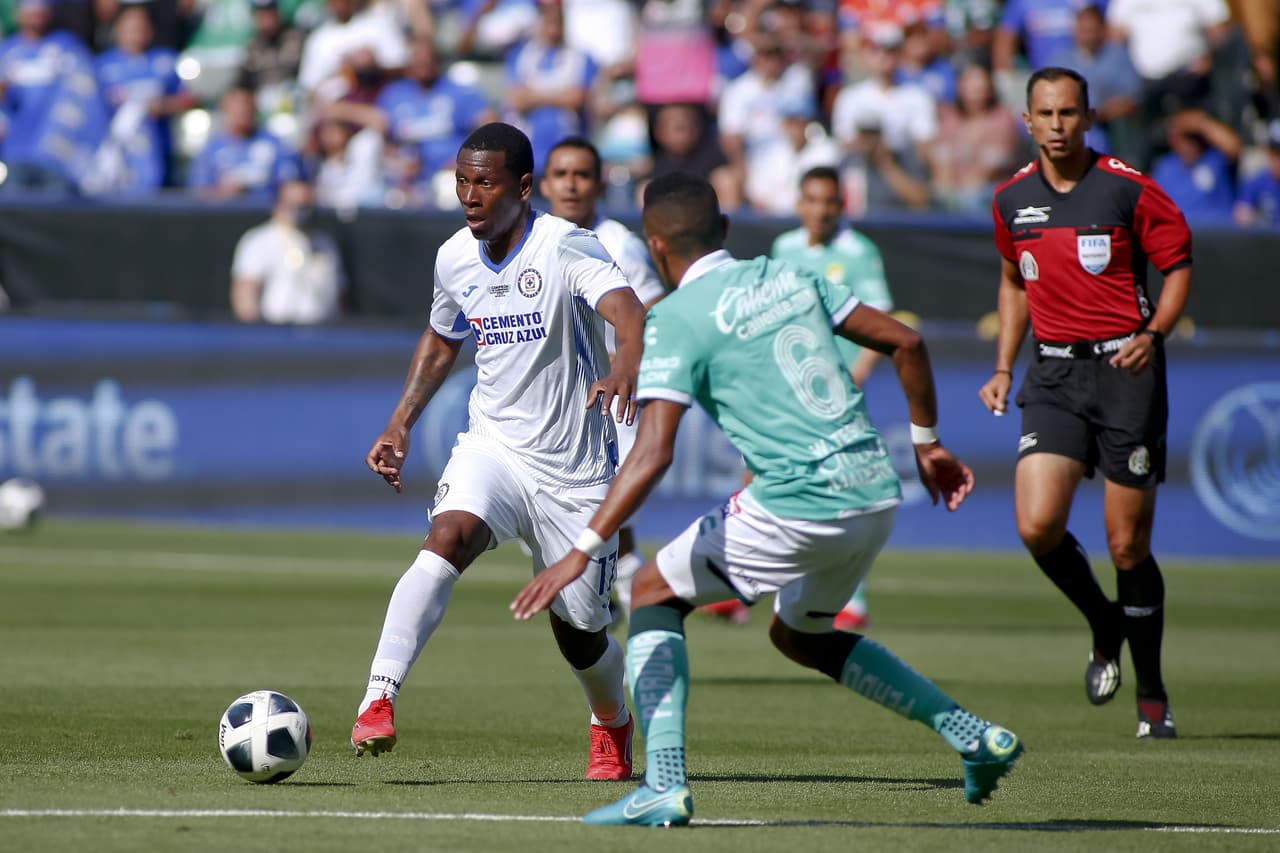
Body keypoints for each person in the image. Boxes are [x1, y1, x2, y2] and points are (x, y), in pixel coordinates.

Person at [511, 172, 1024, 825]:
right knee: (800, 635)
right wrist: (927, 445)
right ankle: (972, 735)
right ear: (725, 228)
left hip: (800, 497)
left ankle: (663, 784)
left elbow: (652, 452)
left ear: (654, 246)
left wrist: (581, 549)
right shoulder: (788, 275)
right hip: (874, 490)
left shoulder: (674, 319)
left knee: (652, 592)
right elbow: (907, 340)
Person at [350, 123, 649, 785]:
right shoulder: (454, 256)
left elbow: (629, 312)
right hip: (494, 446)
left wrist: (625, 364)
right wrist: (400, 422)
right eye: (461, 181)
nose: (469, 195)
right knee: (447, 535)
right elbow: (441, 338)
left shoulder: (566, 244)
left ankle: (612, 719)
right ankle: (378, 697)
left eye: (484, 182)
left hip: (574, 472)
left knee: (580, 633)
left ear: (523, 187)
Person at [978, 67, 1192, 740]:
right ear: (1027, 121)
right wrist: (1003, 365)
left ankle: (1152, 696)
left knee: (1127, 545)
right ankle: (1104, 621)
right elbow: (1013, 282)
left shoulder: (1128, 187)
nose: (1057, 124)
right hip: (1053, 374)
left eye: (1068, 112)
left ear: (1089, 117)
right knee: (1037, 525)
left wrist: (1153, 334)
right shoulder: (1011, 199)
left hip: (1126, 373)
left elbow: (1178, 267)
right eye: (1045, 113)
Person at [539, 136, 667, 615]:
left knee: (606, 503)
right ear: (543, 184)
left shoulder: (618, 243)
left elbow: (654, 312)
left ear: (598, 185)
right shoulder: (535, 237)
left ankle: (631, 598)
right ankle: (613, 598)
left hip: (613, 397)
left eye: (582, 175)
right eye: (562, 174)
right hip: (559, 399)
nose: (571, 185)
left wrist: (624, 363)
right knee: (575, 511)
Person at [770, 165, 895, 630]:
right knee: (784, 482)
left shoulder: (859, 252)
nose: (820, 211)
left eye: (829, 202)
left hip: (839, 394)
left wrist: (856, 374)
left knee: (844, 489)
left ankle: (852, 599)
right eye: (812, 200)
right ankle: (765, 589)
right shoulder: (785, 247)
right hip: (791, 388)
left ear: (842, 205)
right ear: (799, 203)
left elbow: (880, 320)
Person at [230, 179, 346, 324]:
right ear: (278, 205)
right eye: (293, 205)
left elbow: (340, 297)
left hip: (323, 330)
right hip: (277, 331)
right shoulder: (259, 241)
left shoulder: (325, 243)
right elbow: (246, 296)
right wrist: (257, 332)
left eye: (306, 206)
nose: (300, 212)